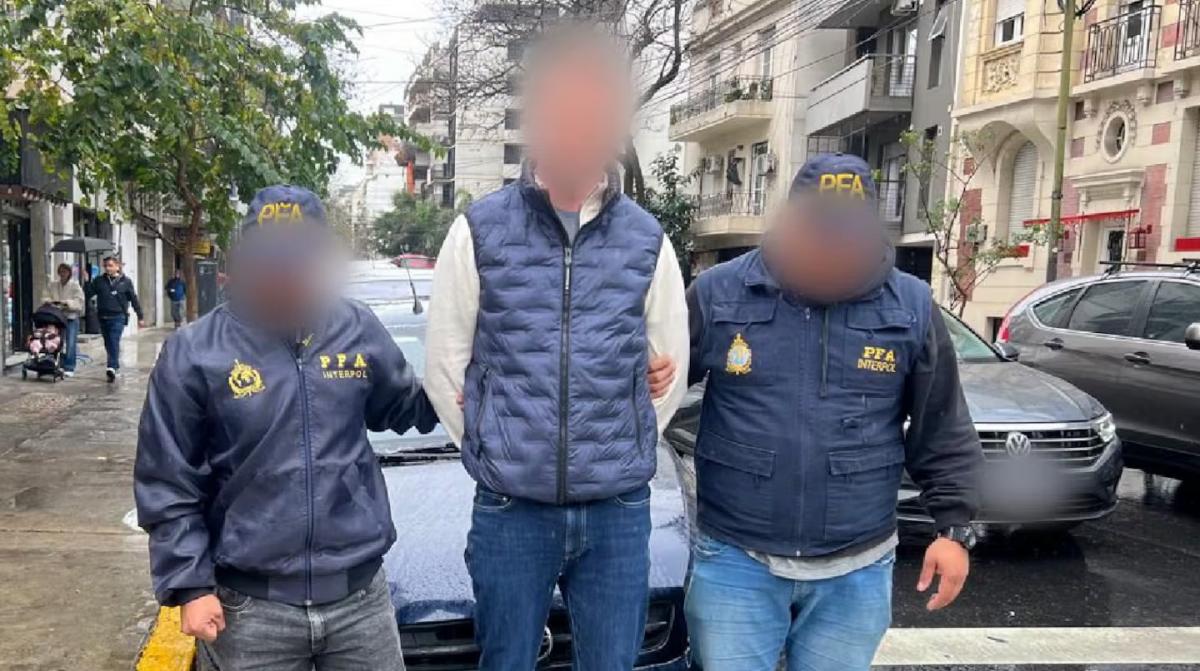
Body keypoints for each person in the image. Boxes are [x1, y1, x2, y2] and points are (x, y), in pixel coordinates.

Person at [423, 25, 690, 671]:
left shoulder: (646, 238)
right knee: (506, 660)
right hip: (512, 509)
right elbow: (444, 366)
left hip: (616, 511)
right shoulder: (478, 229)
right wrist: (494, 446)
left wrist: (620, 441)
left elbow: (670, 363)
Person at [681, 154, 983, 671]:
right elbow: (650, 397)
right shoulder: (717, 293)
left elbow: (942, 424)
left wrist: (953, 530)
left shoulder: (910, 305)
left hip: (856, 566)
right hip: (736, 557)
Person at [135, 185, 438, 670]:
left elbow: (404, 407)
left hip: (359, 602)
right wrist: (190, 586)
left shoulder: (356, 328)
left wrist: (465, 373)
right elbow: (167, 481)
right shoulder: (194, 352)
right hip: (250, 611)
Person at [89, 256, 144, 382]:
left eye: (110, 265)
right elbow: (89, 293)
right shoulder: (99, 281)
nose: (108, 268)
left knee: (114, 340)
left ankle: (111, 367)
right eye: (106, 266)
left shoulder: (125, 282)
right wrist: (87, 281)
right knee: (108, 343)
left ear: (117, 266)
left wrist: (140, 316)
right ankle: (115, 365)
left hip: (118, 316)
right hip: (103, 316)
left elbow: (134, 299)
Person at [43, 263, 85, 376]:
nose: (63, 274)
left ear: (69, 273)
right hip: (56, 318)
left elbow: (79, 301)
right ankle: (57, 364)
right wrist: (50, 302)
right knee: (56, 341)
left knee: (70, 343)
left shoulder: (75, 285)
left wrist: (67, 303)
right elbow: (45, 296)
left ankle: (70, 367)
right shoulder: (53, 284)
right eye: (61, 271)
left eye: (65, 271)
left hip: (70, 317)